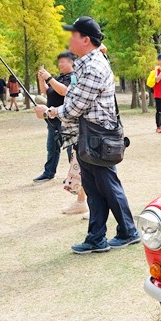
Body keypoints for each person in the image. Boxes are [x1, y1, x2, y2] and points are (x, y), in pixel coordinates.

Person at [35, 16, 139, 253]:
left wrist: (49, 112)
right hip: (88, 136)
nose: (69, 38)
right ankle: (96, 238)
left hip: (96, 137)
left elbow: (74, 107)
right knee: (93, 189)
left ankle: (128, 231)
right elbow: (75, 98)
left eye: (73, 34)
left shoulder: (93, 67)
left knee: (108, 186)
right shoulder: (86, 64)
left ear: (86, 40)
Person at [34, 51, 77, 181]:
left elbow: (64, 91)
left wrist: (48, 78)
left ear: (71, 62)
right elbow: (45, 91)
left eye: (62, 62)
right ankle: (49, 172)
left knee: (71, 148)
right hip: (52, 118)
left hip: (66, 118)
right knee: (52, 147)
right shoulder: (58, 78)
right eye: (59, 62)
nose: (60, 64)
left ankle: (73, 175)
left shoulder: (74, 77)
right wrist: (42, 79)